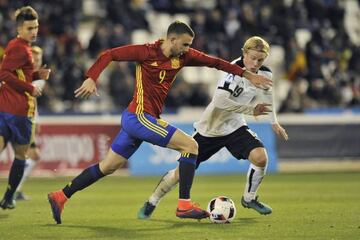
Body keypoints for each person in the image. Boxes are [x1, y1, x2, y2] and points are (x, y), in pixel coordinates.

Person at [47, 21, 272, 224]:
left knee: (108, 166)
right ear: (172, 39)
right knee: (191, 146)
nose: (187, 49)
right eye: (184, 44)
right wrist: (91, 77)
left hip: (137, 119)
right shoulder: (145, 52)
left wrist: (246, 75)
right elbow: (110, 54)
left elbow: (215, 63)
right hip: (140, 117)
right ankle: (184, 204)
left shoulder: (183, 56)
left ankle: (61, 196)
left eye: (189, 45)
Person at [137, 36, 288, 219]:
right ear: (244, 53)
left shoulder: (265, 74)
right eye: (252, 58)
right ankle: (152, 201)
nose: (255, 63)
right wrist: (250, 109)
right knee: (179, 174)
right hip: (210, 129)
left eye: (260, 60)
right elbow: (220, 101)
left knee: (260, 157)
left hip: (234, 126)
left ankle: (249, 198)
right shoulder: (232, 71)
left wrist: (274, 121)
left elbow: (268, 95)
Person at [0, 6, 51, 209]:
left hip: (5, 109)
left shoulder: (17, 46)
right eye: (30, 28)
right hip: (20, 112)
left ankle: (9, 197)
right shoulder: (20, 48)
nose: (34, 31)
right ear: (19, 29)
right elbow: (4, 74)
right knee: (21, 155)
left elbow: (15, 74)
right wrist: (31, 86)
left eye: (36, 27)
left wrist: (38, 75)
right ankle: (9, 197)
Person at [15, 46, 47, 200]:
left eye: (39, 59)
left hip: (23, 119)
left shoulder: (38, 78)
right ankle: (15, 189)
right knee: (31, 155)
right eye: (34, 58)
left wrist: (37, 119)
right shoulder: (28, 75)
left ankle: (16, 189)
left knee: (31, 155)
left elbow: (31, 99)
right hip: (17, 119)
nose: (36, 61)